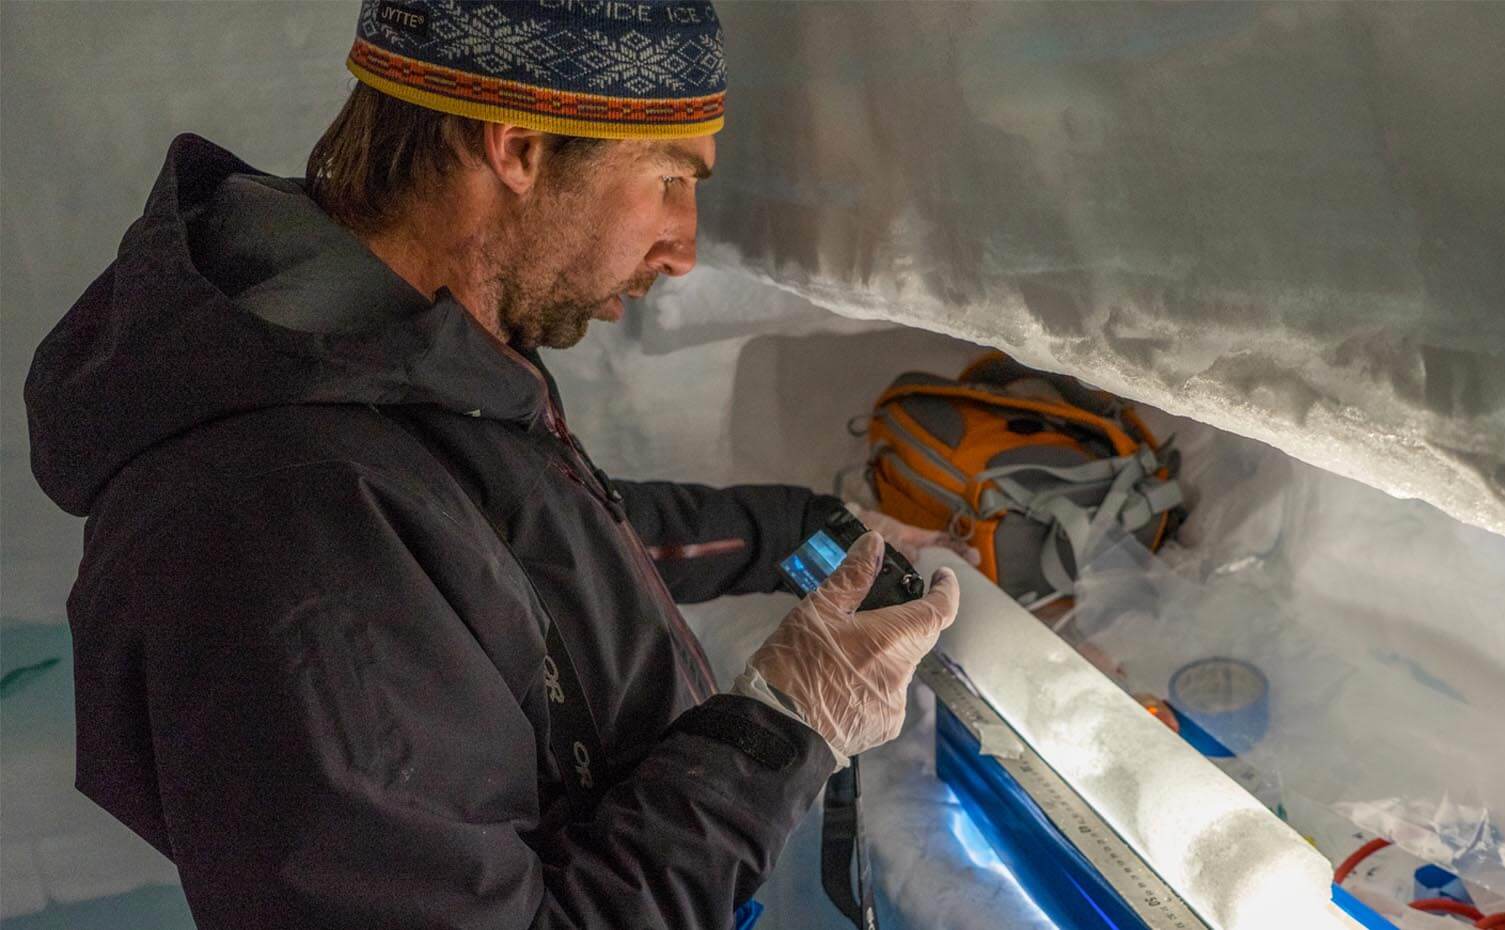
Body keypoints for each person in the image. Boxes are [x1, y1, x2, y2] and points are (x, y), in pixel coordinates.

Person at [23, 3, 969, 928]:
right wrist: (786, 726)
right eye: (671, 180)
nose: (682, 249)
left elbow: (516, 557)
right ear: (517, 149)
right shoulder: (282, 527)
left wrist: (797, 532)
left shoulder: (373, 358)